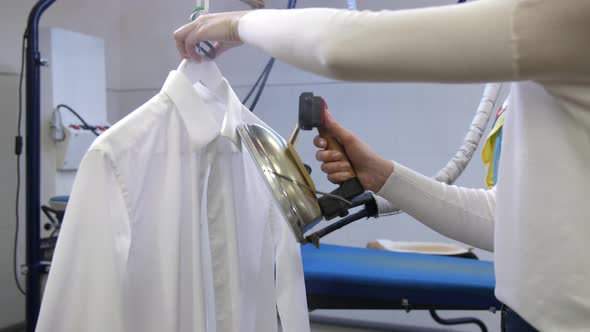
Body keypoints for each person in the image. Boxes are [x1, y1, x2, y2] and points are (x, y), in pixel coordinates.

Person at [173, 1, 590, 331]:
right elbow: (507, 222)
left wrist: (238, 24)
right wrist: (381, 176)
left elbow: (340, 46)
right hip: (525, 316)